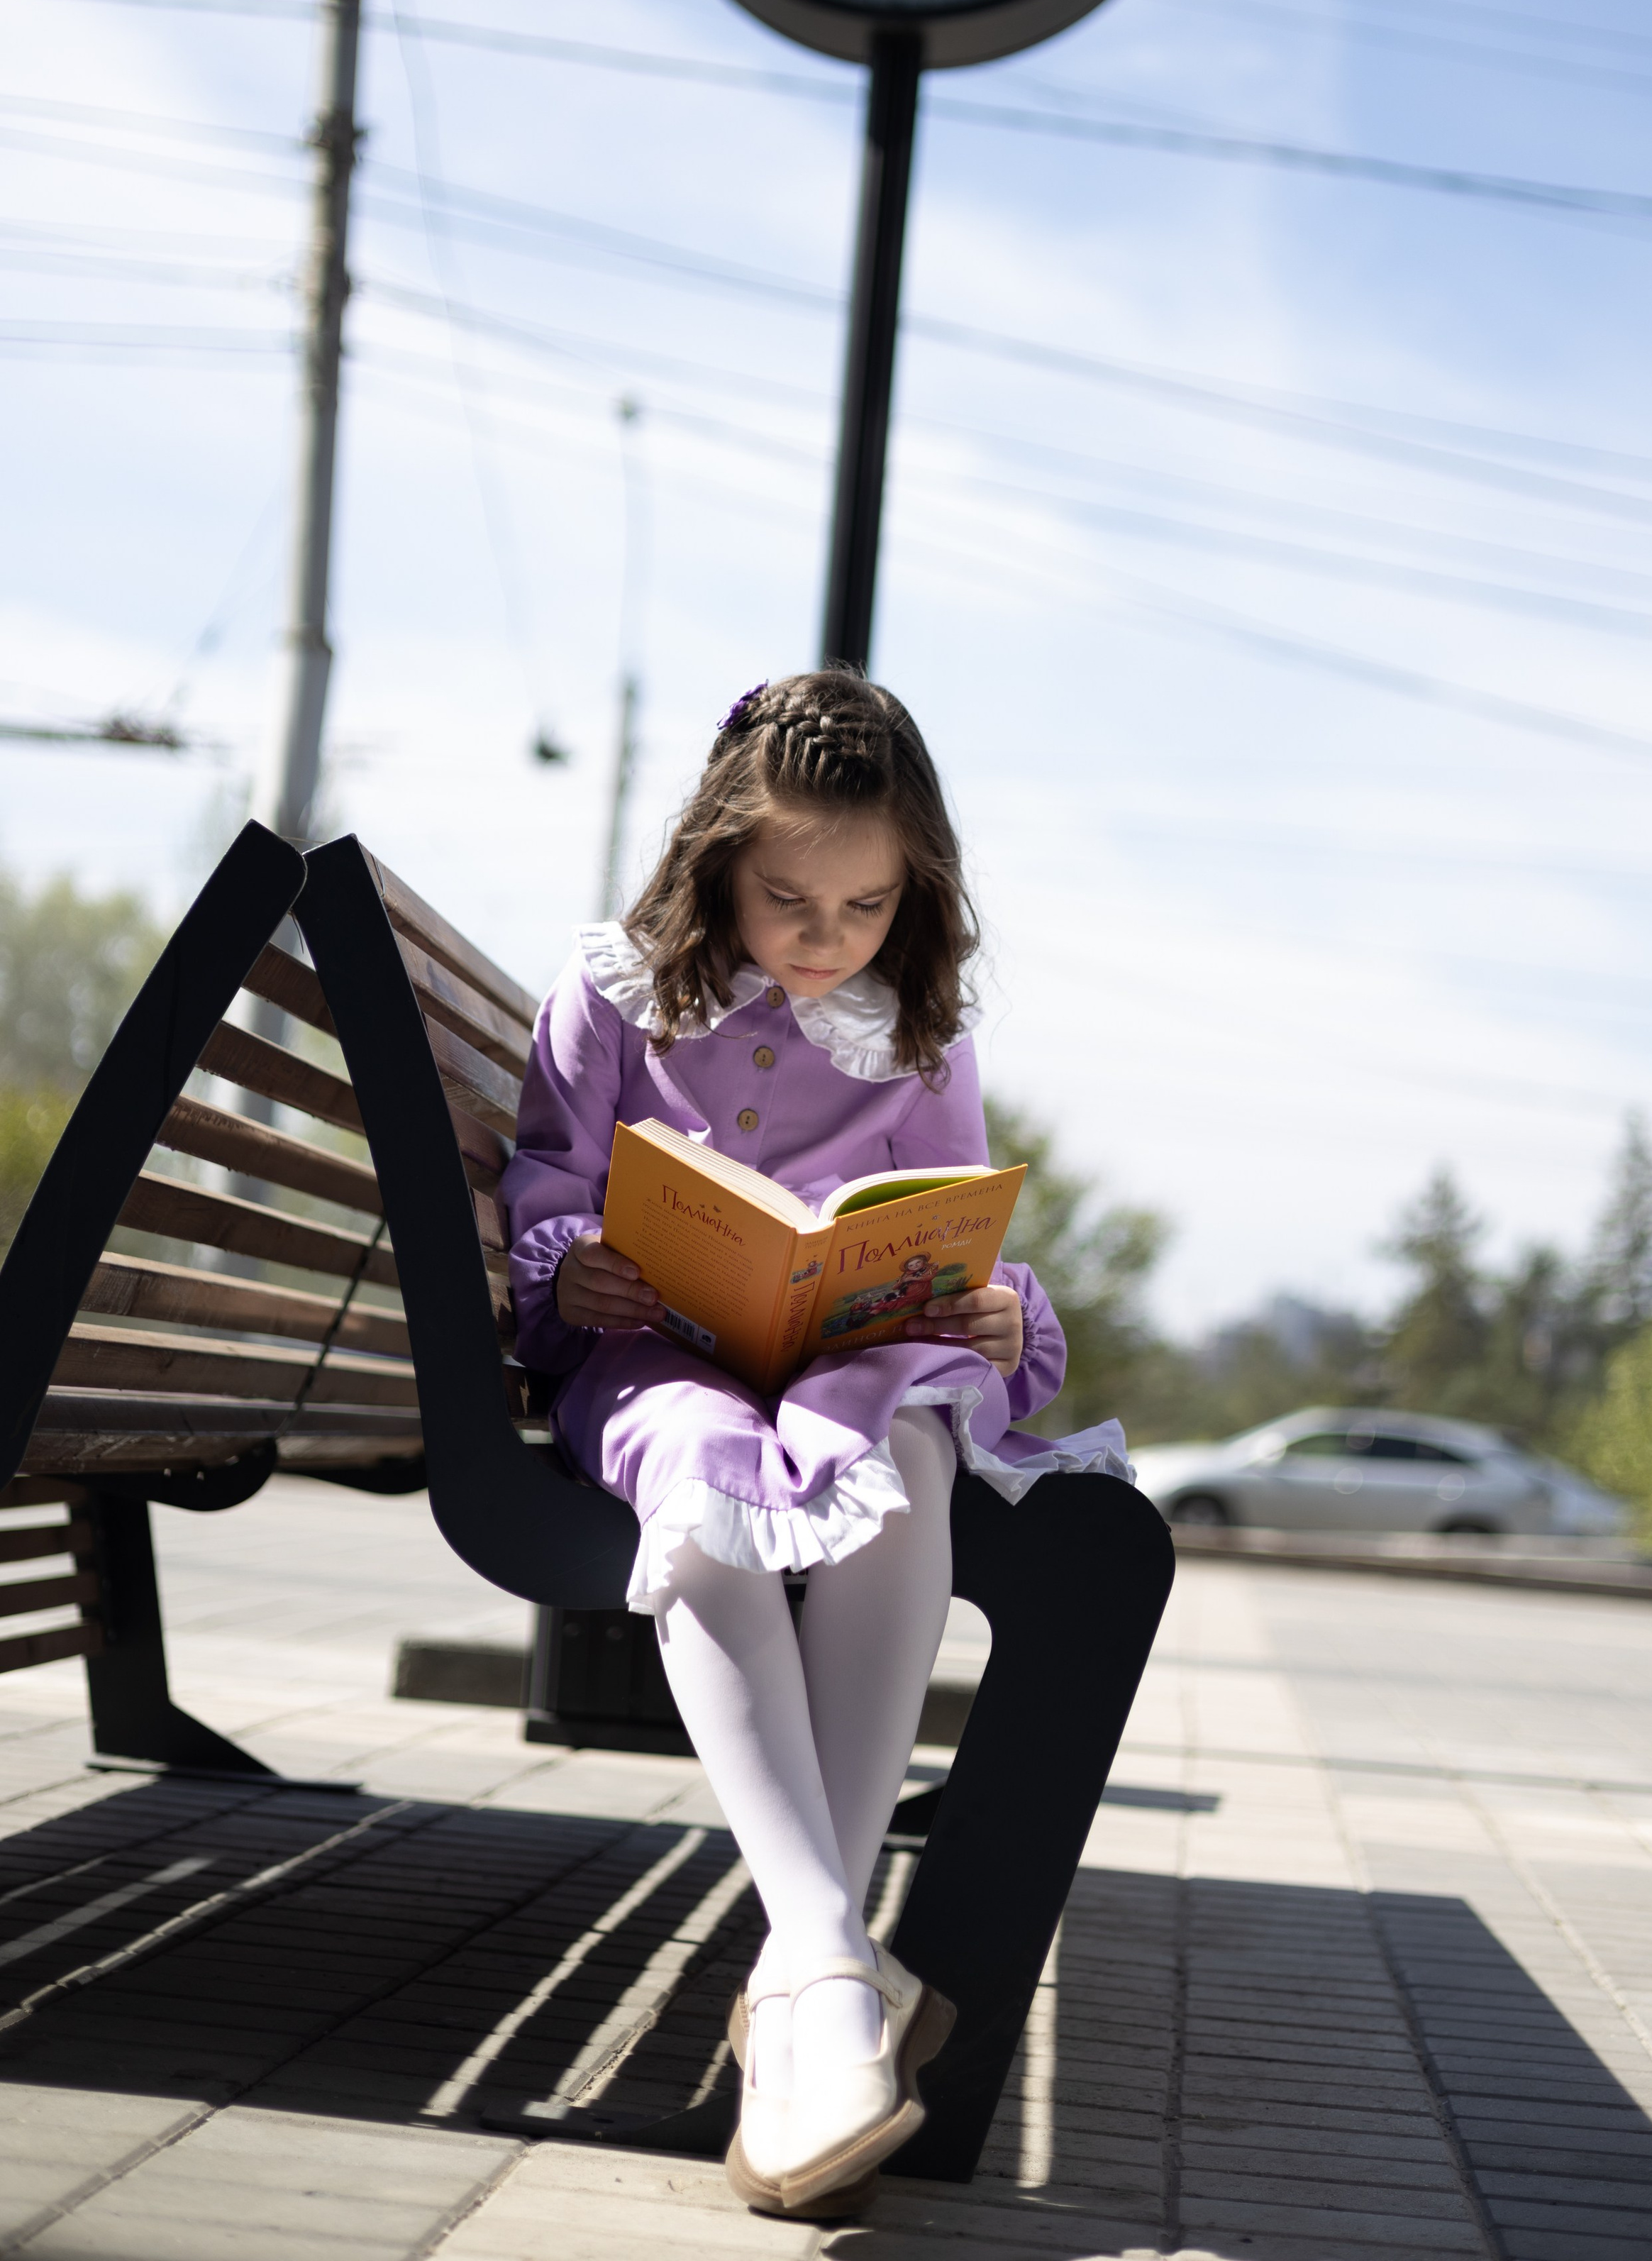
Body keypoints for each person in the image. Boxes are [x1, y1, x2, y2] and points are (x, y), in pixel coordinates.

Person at [501, 670, 1129, 2217]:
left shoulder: (914, 1031)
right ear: (714, 857)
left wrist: (983, 1308)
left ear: (914, 892)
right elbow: (541, 1178)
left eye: (862, 904)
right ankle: (830, 1971)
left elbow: (945, 1221)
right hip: (654, 1356)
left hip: (846, 1358)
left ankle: (806, 1982)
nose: (822, 935)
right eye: (786, 896)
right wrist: (570, 1260)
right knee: (708, 1485)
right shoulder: (614, 991)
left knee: (898, 1470)